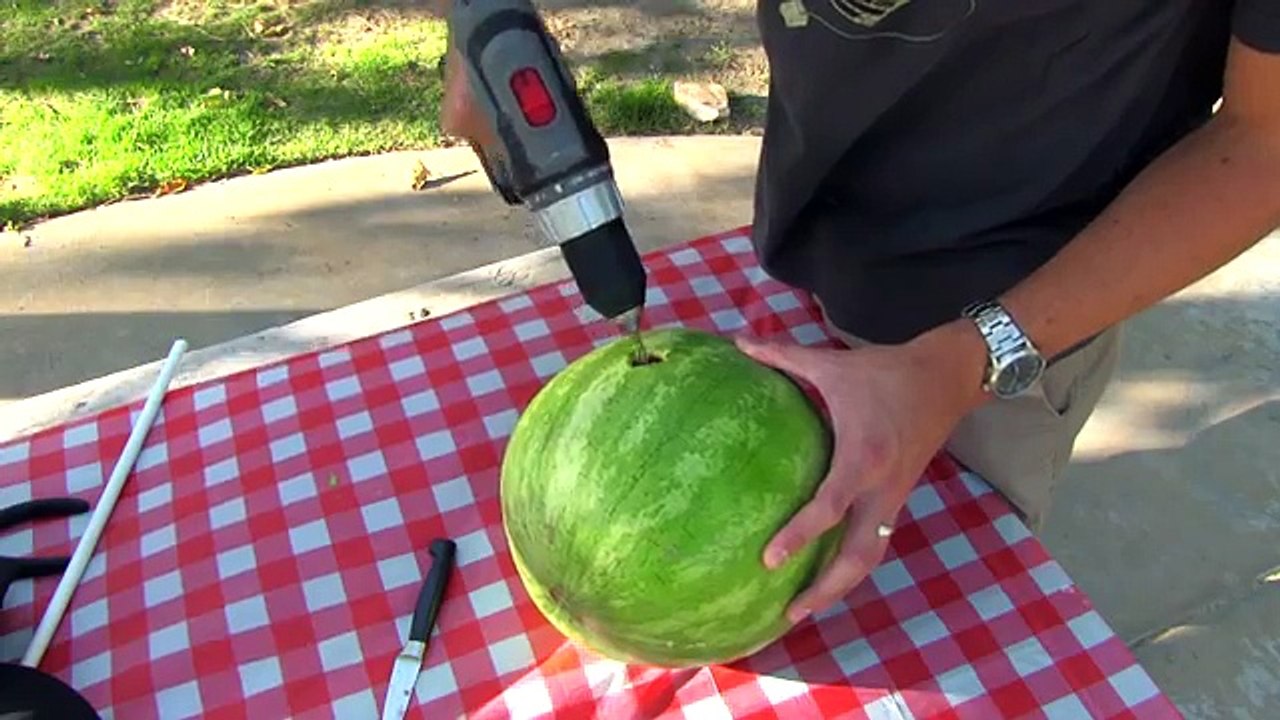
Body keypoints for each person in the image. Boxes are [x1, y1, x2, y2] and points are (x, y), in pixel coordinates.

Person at [436, 1, 1280, 624]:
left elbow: (1264, 143)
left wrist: (969, 358)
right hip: (807, 229)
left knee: (942, 617)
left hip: (1021, 312)